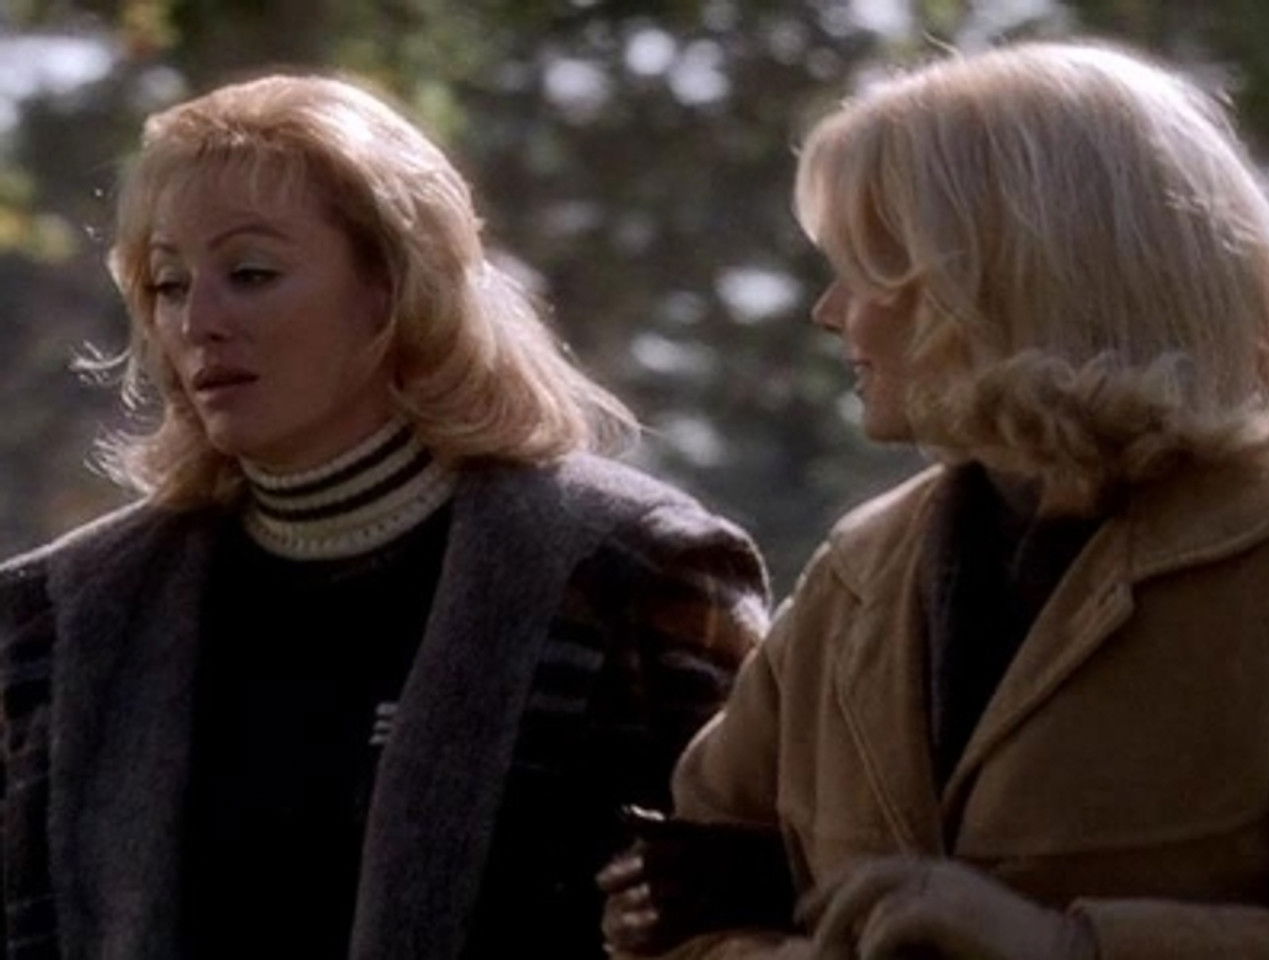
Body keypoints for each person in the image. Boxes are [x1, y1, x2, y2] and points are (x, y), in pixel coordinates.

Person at [0, 72, 770, 960]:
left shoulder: (628, 573)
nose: (198, 321)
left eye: (250, 274)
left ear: (394, 285)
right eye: (169, 285)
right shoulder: (62, 618)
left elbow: (741, 917)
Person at [601, 40, 1269, 959]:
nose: (829, 312)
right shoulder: (860, 569)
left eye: (869, 270)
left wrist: (1069, 948)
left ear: (1005, 280)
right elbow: (685, 909)